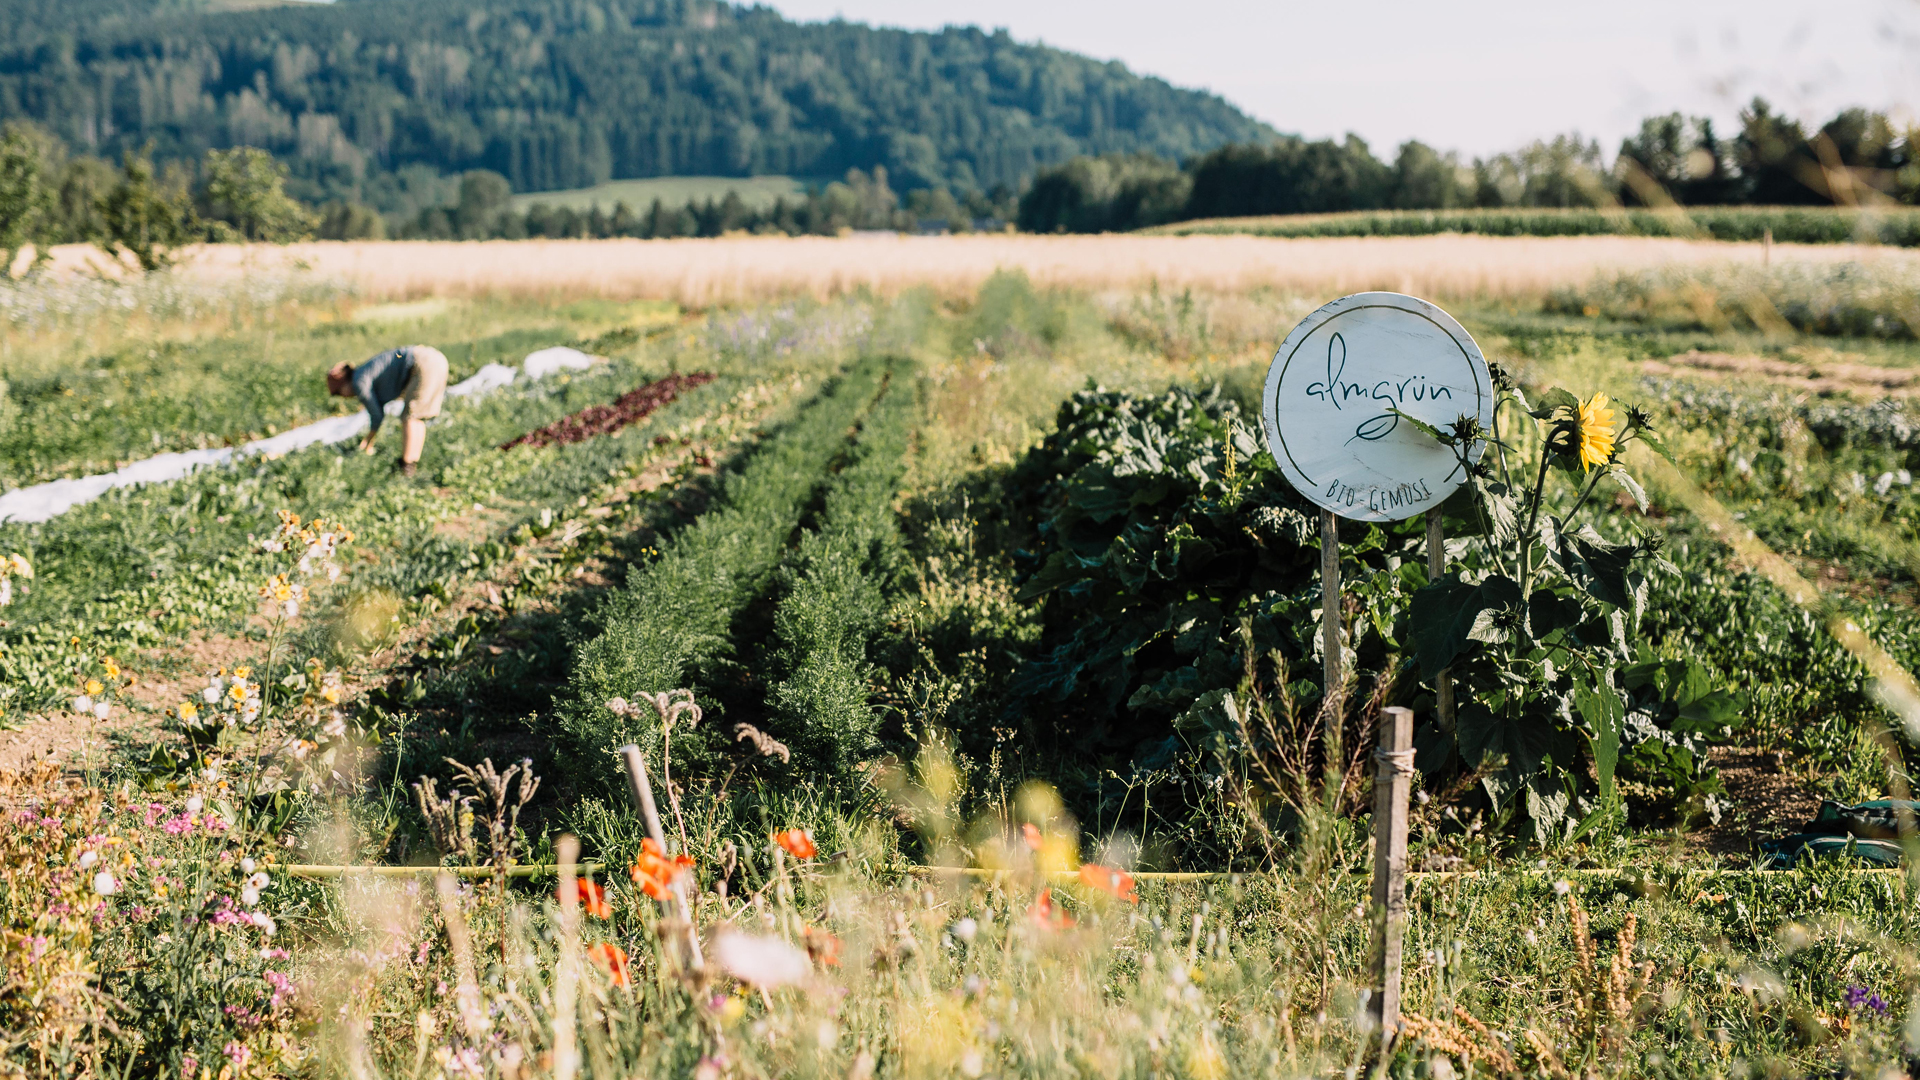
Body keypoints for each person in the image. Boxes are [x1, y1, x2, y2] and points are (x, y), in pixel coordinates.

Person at [326, 344, 450, 477]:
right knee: (417, 417)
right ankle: (411, 464)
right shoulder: (363, 373)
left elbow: (377, 415)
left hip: (421, 362)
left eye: (339, 393)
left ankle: (406, 468)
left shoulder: (359, 382)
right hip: (436, 359)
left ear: (343, 383)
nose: (343, 397)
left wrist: (368, 440)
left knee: (411, 417)